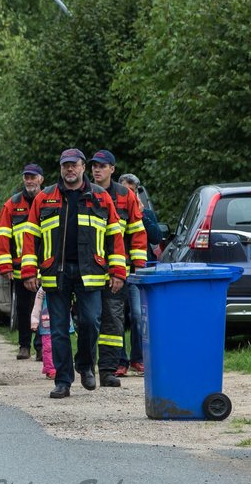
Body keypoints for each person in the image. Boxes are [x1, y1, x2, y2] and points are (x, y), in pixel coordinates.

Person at [21, 148, 127, 399]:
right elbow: (30, 237)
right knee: (57, 329)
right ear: (60, 169)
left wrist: (118, 272)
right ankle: (63, 380)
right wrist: (28, 271)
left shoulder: (100, 197)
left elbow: (115, 237)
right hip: (54, 272)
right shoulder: (44, 198)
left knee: (90, 323)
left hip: (90, 271)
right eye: (65, 165)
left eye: (74, 165)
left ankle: (86, 365)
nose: (70, 169)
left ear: (82, 168)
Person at [89, 150, 148, 385]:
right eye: (94, 165)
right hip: (89, 268)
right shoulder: (86, 193)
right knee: (89, 319)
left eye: (102, 166)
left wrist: (137, 268)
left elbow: (137, 233)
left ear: (113, 169)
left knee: (113, 320)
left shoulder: (126, 195)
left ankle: (109, 369)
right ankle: (86, 365)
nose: (97, 169)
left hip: (117, 271)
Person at [0, 163, 46, 361]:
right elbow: (3, 236)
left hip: (45, 265)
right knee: (23, 307)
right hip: (19, 266)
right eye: (27, 177)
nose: (30, 180)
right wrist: (6, 265)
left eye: (33, 177)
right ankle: (24, 345)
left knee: (44, 308)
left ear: (41, 179)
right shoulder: (12, 204)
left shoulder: (49, 201)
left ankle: (42, 346)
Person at [118, 172, 162, 375]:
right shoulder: (113, 209)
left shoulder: (144, 212)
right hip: (117, 268)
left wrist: (142, 215)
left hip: (138, 269)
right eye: (126, 190)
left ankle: (138, 358)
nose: (130, 195)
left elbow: (156, 237)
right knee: (115, 315)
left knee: (137, 314)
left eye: (133, 191)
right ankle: (120, 361)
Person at [31, 287, 56, 379]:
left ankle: (61, 367)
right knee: (48, 347)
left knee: (61, 345)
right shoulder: (42, 291)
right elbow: (37, 307)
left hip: (61, 323)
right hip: (46, 324)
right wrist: (34, 321)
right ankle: (50, 369)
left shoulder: (65, 286)